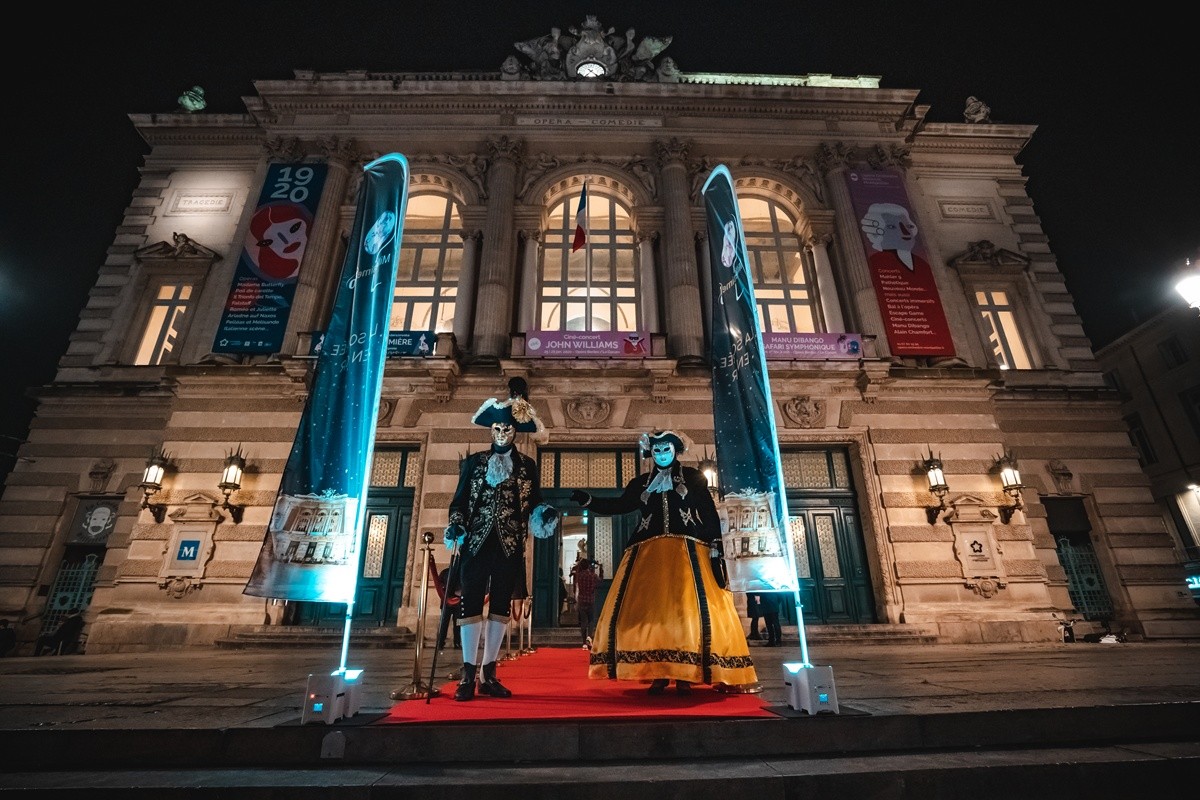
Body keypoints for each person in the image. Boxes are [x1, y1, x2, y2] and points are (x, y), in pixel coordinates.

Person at [569, 430, 757, 695]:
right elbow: (620, 505)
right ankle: (658, 671)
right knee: (653, 614)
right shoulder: (641, 483)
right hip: (649, 554)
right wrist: (590, 501)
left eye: (665, 449)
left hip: (689, 553)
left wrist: (716, 544)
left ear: (676, 450)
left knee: (687, 613)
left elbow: (708, 512)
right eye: (656, 450)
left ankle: (685, 674)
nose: (661, 455)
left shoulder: (693, 478)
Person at [444, 378, 558, 701]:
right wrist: (456, 525)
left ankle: (488, 673)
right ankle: (467, 673)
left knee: (500, 609)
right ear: (489, 430)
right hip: (476, 544)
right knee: (469, 605)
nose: (501, 433)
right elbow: (459, 501)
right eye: (496, 428)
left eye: (507, 429)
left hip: (509, 545)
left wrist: (543, 513)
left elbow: (534, 501)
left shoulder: (527, 466)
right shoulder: (475, 463)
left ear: (515, 432)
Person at [570, 550, 600, 649]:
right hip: (590, 599)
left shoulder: (579, 576)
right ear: (588, 566)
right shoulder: (593, 576)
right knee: (591, 620)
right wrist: (601, 569)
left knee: (583, 621)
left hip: (582, 600)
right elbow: (600, 581)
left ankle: (583, 643)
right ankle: (589, 636)